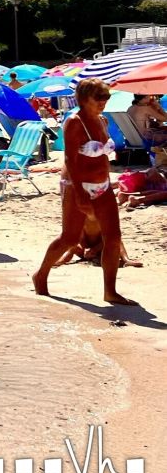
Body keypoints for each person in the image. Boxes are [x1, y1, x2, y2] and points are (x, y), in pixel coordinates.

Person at [33, 78, 138, 305]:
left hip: (103, 186)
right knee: (69, 238)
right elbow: (70, 160)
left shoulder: (102, 120)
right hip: (78, 186)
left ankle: (110, 291)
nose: (103, 102)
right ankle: (41, 274)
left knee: (114, 237)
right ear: (83, 98)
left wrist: (108, 183)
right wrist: (80, 195)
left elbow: (102, 157)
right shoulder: (74, 122)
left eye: (106, 97)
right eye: (98, 97)